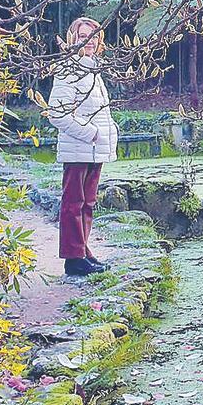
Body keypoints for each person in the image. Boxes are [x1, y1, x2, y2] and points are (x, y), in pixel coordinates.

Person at [47, 17, 120, 276]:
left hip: (94, 147)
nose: (88, 41)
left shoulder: (93, 69)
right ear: (73, 39)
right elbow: (57, 114)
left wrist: (107, 134)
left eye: (93, 37)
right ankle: (73, 258)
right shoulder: (68, 70)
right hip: (79, 146)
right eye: (82, 36)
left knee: (88, 202)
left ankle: (83, 251)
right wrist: (90, 134)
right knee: (73, 202)